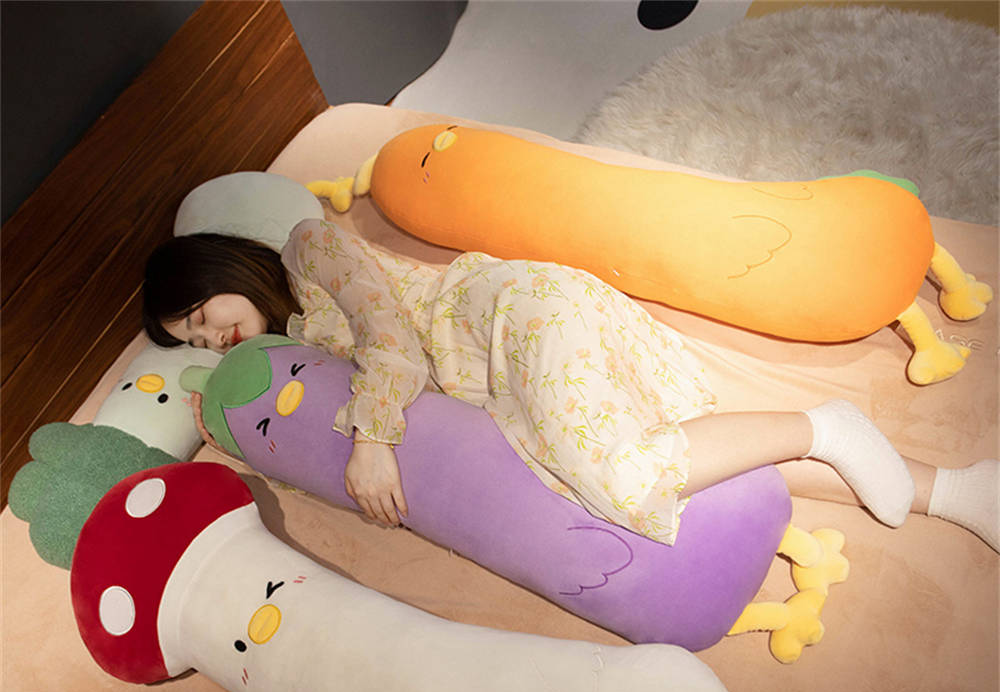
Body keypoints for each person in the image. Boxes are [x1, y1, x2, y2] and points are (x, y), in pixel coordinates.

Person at [142, 220, 998, 552]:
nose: (211, 338)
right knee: (694, 450)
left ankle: (824, 424)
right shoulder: (291, 349)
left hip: (508, 319)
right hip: (503, 379)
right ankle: (958, 492)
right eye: (194, 342)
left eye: (201, 313)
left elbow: (392, 340)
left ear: (225, 269)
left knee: (621, 477)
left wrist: (372, 441)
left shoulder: (308, 248)